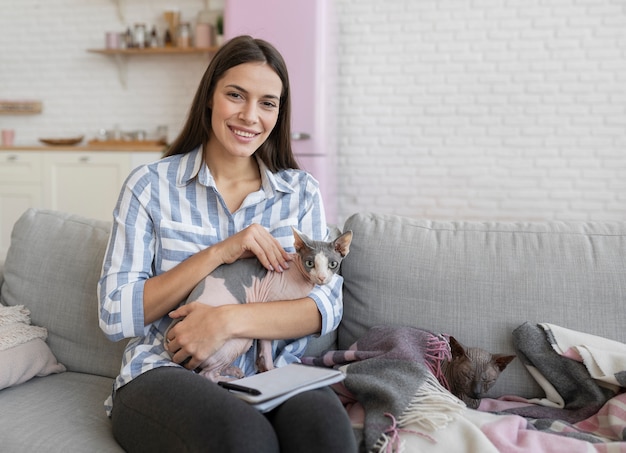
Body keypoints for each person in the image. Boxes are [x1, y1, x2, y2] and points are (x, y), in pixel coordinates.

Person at [98, 35, 357, 453]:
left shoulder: (300, 192)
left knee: (327, 434)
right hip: (167, 370)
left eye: (267, 103)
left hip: (275, 372)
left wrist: (226, 321)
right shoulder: (149, 187)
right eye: (235, 95)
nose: (250, 115)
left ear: (279, 113)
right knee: (244, 440)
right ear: (209, 98)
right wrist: (220, 252)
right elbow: (114, 314)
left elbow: (324, 307)